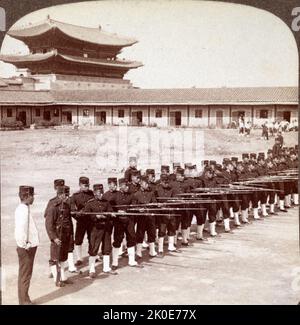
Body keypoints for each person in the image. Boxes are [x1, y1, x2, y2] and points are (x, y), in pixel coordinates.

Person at [84, 184, 117, 278]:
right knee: (93, 249)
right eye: (98, 193)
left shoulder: (106, 202)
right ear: (94, 193)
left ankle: (106, 268)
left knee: (107, 248)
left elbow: (109, 212)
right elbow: (87, 215)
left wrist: (109, 215)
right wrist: (95, 217)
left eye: (101, 193)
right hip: (95, 229)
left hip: (105, 228)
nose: (100, 195)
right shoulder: (90, 203)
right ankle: (92, 269)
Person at [15, 186, 39, 305]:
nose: (33, 198)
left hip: (26, 247)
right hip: (26, 248)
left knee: (24, 274)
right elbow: (20, 230)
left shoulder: (24, 208)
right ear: (26, 196)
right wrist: (25, 244)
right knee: (25, 275)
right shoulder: (22, 210)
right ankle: (24, 301)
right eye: (32, 196)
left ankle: (24, 299)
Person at [45, 185, 74, 287]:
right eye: (66, 195)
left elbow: (68, 221)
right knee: (55, 258)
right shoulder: (53, 206)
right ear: (60, 194)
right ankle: (56, 280)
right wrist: (54, 238)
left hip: (65, 235)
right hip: (57, 236)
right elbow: (49, 224)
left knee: (62, 258)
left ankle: (63, 277)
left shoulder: (65, 205)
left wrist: (70, 235)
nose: (67, 197)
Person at [111, 178, 141, 270]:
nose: (127, 187)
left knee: (131, 238)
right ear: (121, 186)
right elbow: (110, 208)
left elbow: (134, 206)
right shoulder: (115, 196)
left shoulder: (131, 195)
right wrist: (116, 212)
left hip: (129, 221)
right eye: (125, 185)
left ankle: (131, 261)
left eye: (128, 185)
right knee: (117, 241)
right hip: (119, 222)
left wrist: (125, 210)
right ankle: (115, 262)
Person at [70, 177, 94, 266]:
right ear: (80, 185)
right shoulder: (75, 196)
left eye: (88, 185)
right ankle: (79, 258)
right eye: (85, 185)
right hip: (81, 221)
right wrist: (78, 217)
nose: (87, 187)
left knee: (92, 239)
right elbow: (72, 211)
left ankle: (93, 255)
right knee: (78, 240)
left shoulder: (92, 194)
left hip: (91, 221)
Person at [133, 176, 158, 258]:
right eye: (145, 184)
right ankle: (138, 252)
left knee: (151, 233)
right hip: (141, 218)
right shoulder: (136, 194)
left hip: (150, 217)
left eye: (147, 184)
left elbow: (154, 203)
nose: (147, 185)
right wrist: (138, 209)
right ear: (141, 184)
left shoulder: (151, 193)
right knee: (140, 234)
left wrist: (152, 206)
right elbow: (133, 207)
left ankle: (152, 251)